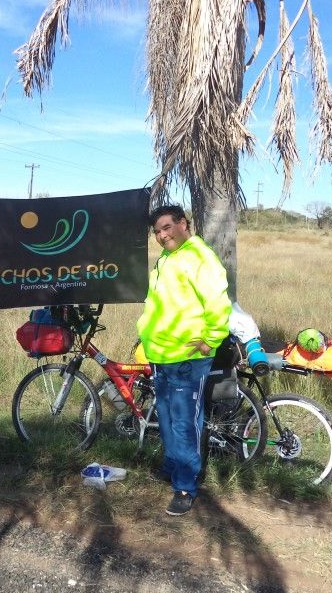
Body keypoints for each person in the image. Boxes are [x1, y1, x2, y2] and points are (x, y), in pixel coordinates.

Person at [137, 205, 231, 515]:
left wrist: (210, 340)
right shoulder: (167, 258)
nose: (162, 235)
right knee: (164, 417)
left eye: (167, 227)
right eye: (157, 232)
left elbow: (218, 303)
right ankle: (173, 466)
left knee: (184, 424)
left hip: (187, 358)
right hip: (161, 355)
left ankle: (185, 486)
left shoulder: (199, 257)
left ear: (183, 223)